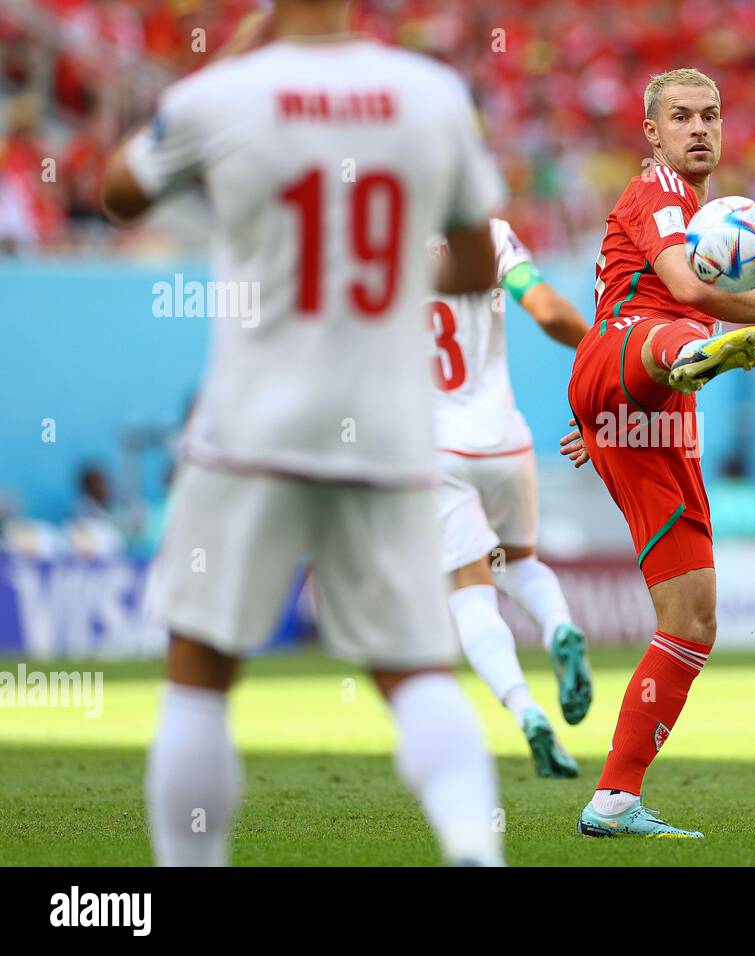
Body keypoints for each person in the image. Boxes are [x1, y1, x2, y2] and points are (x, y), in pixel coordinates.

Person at [101, 0, 508, 866]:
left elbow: (116, 194)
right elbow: (475, 265)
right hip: (390, 432)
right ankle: (476, 850)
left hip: (251, 426)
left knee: (201, 676)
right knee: (416, 672)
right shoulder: (432, 94)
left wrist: (228, 68)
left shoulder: (227, 94)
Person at [562, 67, 755, 837]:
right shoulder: (661, 190)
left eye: (711, 115)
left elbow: (684, 281)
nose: (699, 129)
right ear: (653, 133)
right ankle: (687, 357)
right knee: (681, 326)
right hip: (627, 355)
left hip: (641, 414)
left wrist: (611, 413)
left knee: (692, 618)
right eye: (681, 117)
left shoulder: (695, 210)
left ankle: (613, 798)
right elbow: (686, 284)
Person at [430, 217, 593, 778]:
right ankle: (558, 628)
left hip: (436, 449)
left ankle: (527, 712)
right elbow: (547, 311)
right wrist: (604, 349)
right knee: (521, 563)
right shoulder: (489, 234)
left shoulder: (382, 245)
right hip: (503, 439)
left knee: (469, 588)